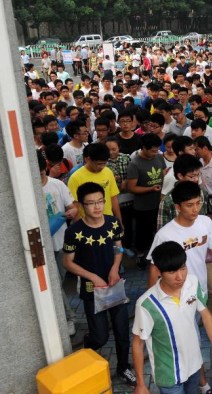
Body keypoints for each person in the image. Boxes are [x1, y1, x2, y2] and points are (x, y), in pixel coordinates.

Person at [147, 181, 212, 394]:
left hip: (199, 290)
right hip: (177, 298)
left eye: (198, 203)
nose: (195, 209)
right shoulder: (165, 235)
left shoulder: (205, 222)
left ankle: (200, 382)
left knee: (196, 336)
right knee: (190, 341)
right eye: (189, 205)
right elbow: (154, 271)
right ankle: (201, 384)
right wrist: (153, 303)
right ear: (177, 207)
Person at [62, 182, 136, 386]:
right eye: (91, 203)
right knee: (100, 337)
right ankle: (89, 343)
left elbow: (119, 249)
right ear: (81, 205)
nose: (97, 207)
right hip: (91, 290)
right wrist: (92, 277)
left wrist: (114, 268)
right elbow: (67, 262)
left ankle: (123, 367)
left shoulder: (113, 223)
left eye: (100, 201)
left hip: (114, 285)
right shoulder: (74, 231)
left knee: (122, 331)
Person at [132, 241, 212, 394]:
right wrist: (141, 384)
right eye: (172, 272)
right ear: (158, 271)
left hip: (195, 366)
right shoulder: (146, 304)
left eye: (183, 268)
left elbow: (207, 317)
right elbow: (137, 343)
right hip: (168, 376)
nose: (180, 277)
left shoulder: (192, 282)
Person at [38, 150, 78, 337]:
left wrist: (70, 213)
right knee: (54, 284)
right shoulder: (26, 190)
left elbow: (72, 208)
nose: (39, 178)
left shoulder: (57, 186)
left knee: (58, 282)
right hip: (41, 247)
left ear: (45, 168)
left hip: (61, 242)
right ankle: (68, 318)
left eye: (41, 174)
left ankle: (62, 316)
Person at [127, 133, 166, 266]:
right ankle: (142, 256)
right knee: (143, 235)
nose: (156, 153)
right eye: (153, 150)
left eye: (157, 150)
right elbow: (132, 188)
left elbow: (163, 173)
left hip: (159, 204)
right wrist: (150, 189)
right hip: (143, 207)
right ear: (144, 148)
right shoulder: (135, 164)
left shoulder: (159, 158)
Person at [67, 143, 122, 224]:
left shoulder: (108, 172)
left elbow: (113, 198)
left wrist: (119, 221)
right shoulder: (75, 178)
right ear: (88, 159)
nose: (102, 167)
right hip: (87, 224)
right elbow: (76, 206)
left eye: (104, 163)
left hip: (108, 221)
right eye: (99, 164)